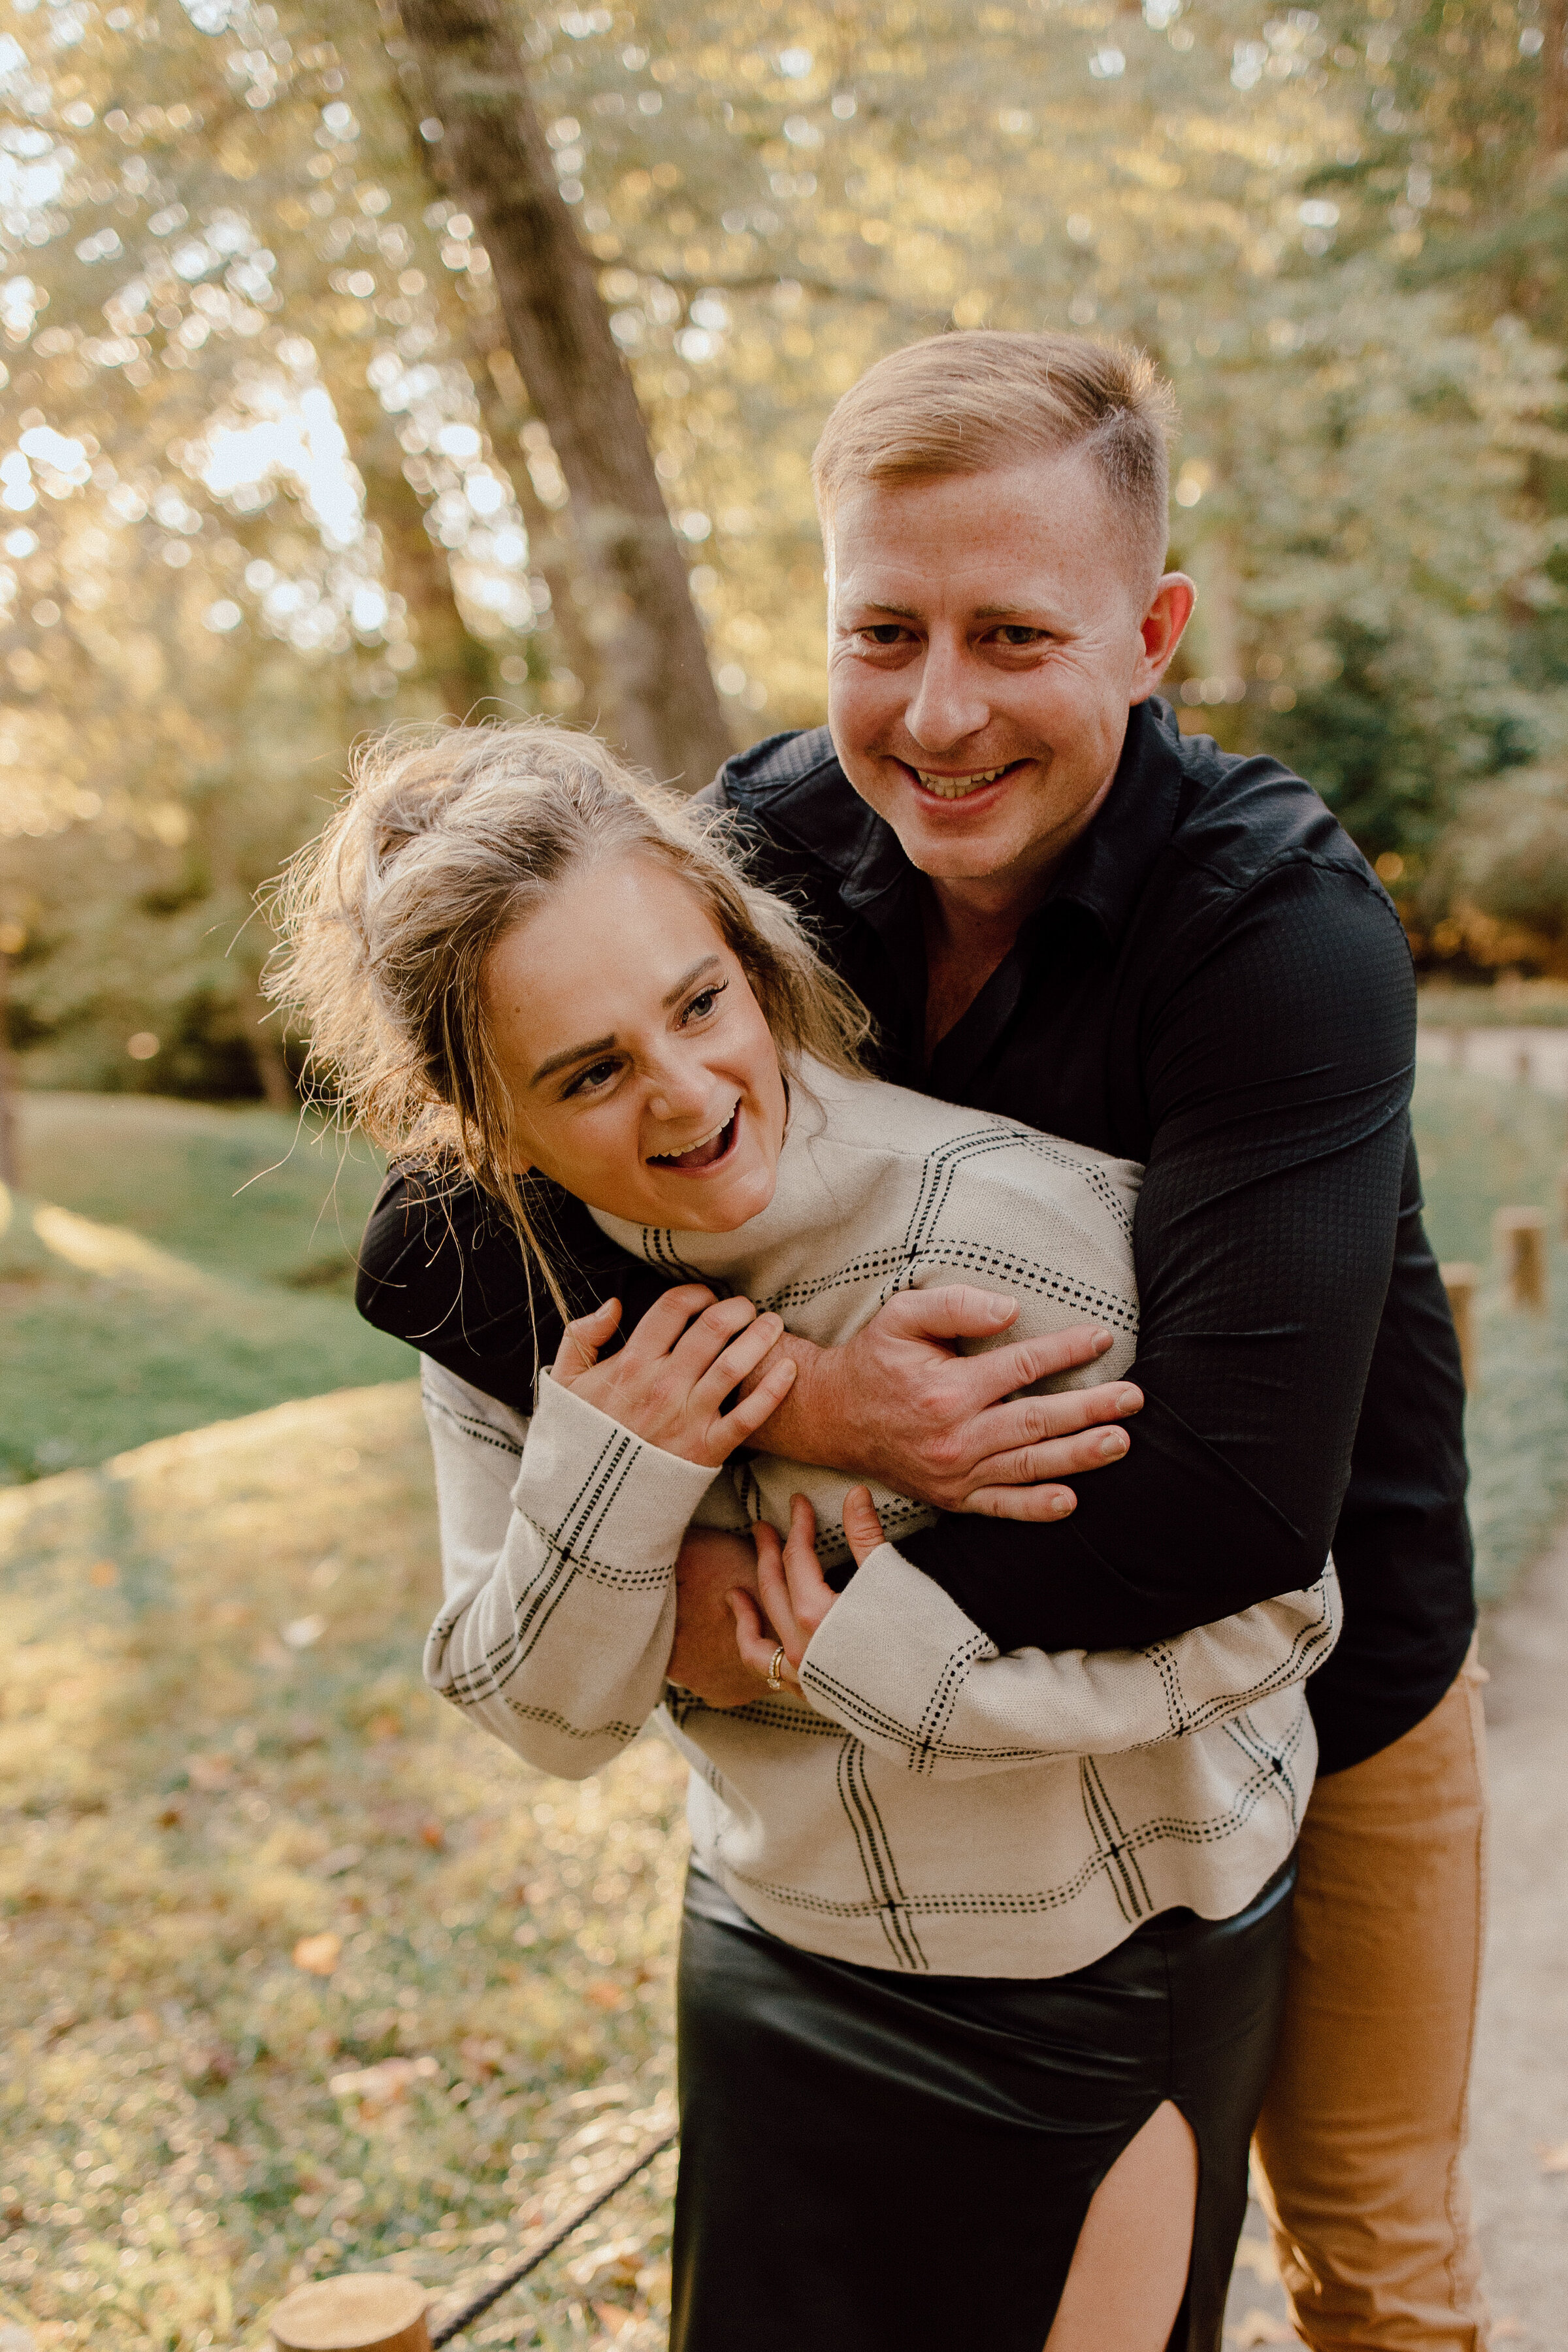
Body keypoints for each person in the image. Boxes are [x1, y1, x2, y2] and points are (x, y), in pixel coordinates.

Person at [351, 333, 1487, 2352]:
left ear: (1150, 636)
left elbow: (1225, 1510)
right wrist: (799, 1406)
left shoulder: (1277, 926)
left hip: (1337, 1645)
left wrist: (764, 1610)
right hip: (903, 1853)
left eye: (1012, 636)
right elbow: (452, 1222)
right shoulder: (759, 850)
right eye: (884, 631)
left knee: (1374, 2266)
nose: (939, 711)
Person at [271, 720, 1340, 2351]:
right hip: (768, 1945)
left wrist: (879, 1654)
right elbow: (541, 1722)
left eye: (697, 1005)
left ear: (750, 954)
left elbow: (1270, 1618)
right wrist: (625, 1465)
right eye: (587, 1073)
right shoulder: (515, 1302)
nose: (688, 1096)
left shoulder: (1016, 1231)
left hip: (1102, 1973)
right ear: (481, 1122)